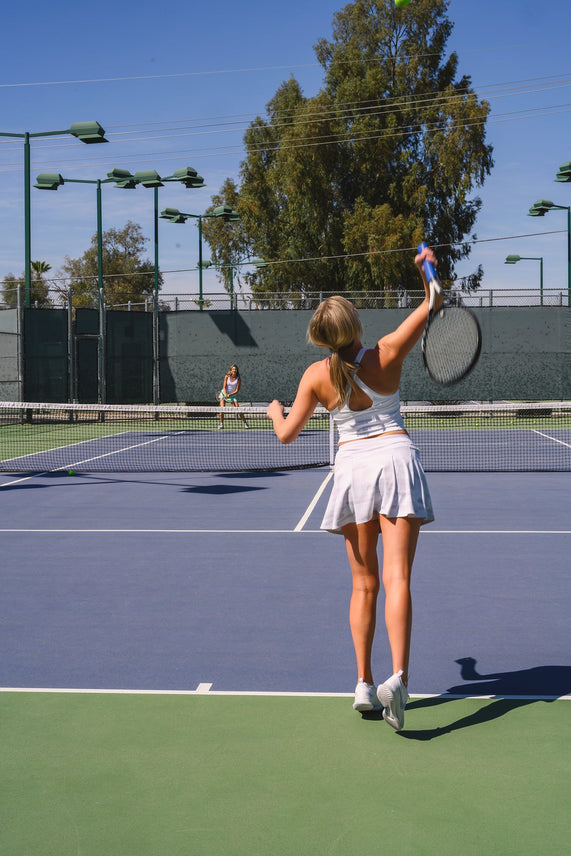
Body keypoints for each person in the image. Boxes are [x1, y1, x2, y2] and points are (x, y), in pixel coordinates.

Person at [267, 246, 442, 731]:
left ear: (321, 336)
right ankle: (399, 679)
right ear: (355, 326)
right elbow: (433, 303)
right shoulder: (386, 352)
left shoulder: (315, 377)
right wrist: (426, 265)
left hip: (354, 472)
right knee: (398, 580)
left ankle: (363, 684)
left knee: (364, 584)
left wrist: (273, 411)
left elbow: (286, 435)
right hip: (396, 461)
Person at [218, 364, 249, 428]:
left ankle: (245, 423)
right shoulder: (227, 376)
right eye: (233, 369)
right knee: (221, 409)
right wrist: (226, 394)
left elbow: (237, 390)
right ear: (231, 370)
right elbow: (224, 387)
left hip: (233, 395)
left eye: (235, 369)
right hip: (224, 394)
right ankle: (221, 423)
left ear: (237, 370)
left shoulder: (238, 379)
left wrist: (230, 395)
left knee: (238, 409)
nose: (234, 370)